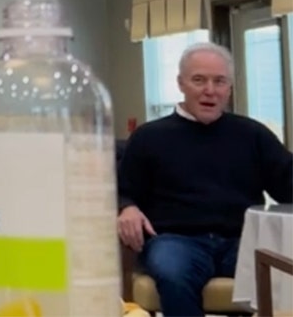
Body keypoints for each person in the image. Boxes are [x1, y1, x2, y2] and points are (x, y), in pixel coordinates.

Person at [117, 42, 293, 317]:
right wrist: (127, 206)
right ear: (181, 83)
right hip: (175, 241)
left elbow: (288, 184)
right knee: (173, 272)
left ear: (229, 88)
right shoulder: (149, 137)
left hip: (242, 240)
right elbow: (121, 189)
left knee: (281, 267)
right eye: (199, 80)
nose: (210, 90)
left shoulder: (253, 134)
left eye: (219, 81)